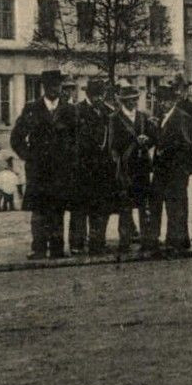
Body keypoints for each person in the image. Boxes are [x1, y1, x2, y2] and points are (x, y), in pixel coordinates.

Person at [9, 70, 74, 260]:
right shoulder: (32, 109)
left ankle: (57, 248)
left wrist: (70, 159)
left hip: (61, 170)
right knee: (38, 211)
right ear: (44, 87)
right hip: (39, 170)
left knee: (58, 209)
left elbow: (77, 138)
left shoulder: (69, 110)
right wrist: (29, 156)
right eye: (51, 86)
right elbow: (16, 138)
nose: (55, 89)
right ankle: (38, 248)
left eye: (58, 85)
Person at [148, 84, 192, 257]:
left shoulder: (182, 117)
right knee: (164, 202)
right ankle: (174, 239)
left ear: (173, 101)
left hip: (176, 169)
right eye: (160, 100)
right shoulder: (163, 117)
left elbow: (189, 144)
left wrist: (166, 150)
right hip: (163, 169)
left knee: (175, 204)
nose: (162, 104)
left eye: (166, 100)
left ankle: (178, 241)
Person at [107, 84, 155, 254]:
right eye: (128, 100)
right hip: (125, 167)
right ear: (122, 102)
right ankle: (125, 241)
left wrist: (146, 140)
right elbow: (112, 145)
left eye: (134, 99)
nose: (132, 103)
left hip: (141, 166)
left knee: (144, 205)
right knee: (125, 206)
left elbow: (152, 138)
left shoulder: (143, 117)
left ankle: (146, 240)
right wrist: (118, 163)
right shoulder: (114, 118)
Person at [71, 78, 116, 257]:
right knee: (80, 208)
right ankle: (77, 244)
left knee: (101, 207)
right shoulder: (77, 111)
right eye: (96, 95)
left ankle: (98, 242)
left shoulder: (108, 112)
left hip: (103, 169)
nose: (99, 98)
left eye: (102, 94)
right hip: (82, 168)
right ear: (88, 94)